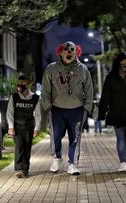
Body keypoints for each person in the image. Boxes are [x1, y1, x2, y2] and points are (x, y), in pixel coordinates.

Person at [41, 41, 93, 175]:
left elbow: (89, 90)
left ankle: (73, 163)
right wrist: (48, 106)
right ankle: (57, 157)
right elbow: (45, 90)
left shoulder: (83, 69)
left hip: (77, 110)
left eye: (72, 49)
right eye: (66, 49)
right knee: (55, 136)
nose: (69, 52)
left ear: (77, 52)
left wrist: (86, 108)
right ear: (60, 51)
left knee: (75, 138)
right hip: (57, 109)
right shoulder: (51, 68)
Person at [97, 52, 126, 172]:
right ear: (118, 65)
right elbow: (105, 96)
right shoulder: (110, 78)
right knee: (121, 138)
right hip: (117, 112)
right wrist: (101, 114)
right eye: (124, 65)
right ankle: (122, 162)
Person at [6, 75, 41, 178]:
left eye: (23, 84)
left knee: (27, 147)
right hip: (17, 127)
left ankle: (26, 169)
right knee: (19, 146)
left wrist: (37, 128)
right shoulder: (14, 97)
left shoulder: (35, 98)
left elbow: (38, 114)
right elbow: (9, 113)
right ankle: (19, 168)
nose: (20, 85)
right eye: (19, 83)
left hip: (29, 127)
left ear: (28, 85)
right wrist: (11, 127)